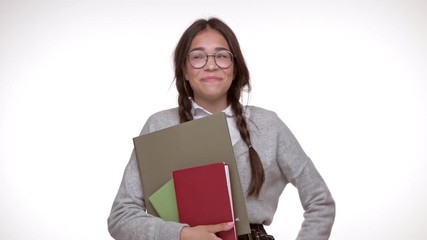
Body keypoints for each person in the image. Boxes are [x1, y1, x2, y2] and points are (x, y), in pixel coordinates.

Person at [108, 17, 335, 240]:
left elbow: (320, 201)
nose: (211, 64)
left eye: (222, 56)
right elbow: (121, 217)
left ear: (235, 67)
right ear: (184, 70)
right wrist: (182, 234)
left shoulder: (268, 125)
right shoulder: (159, 126)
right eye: (198, 57)